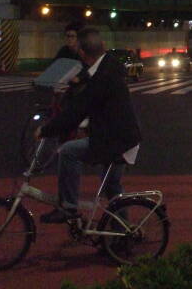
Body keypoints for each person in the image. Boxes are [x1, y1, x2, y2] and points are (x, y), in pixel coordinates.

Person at [36, 28, 141, 223]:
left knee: (68, 152)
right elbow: (96, 105)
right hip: (120, 136)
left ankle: (69, 207)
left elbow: (80, 107)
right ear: (103, 47)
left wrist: (46, 130)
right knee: (111, 186)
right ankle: (122, 232)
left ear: (82, 53)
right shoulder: (107, 66)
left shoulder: (102, 76)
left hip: (117, 140)